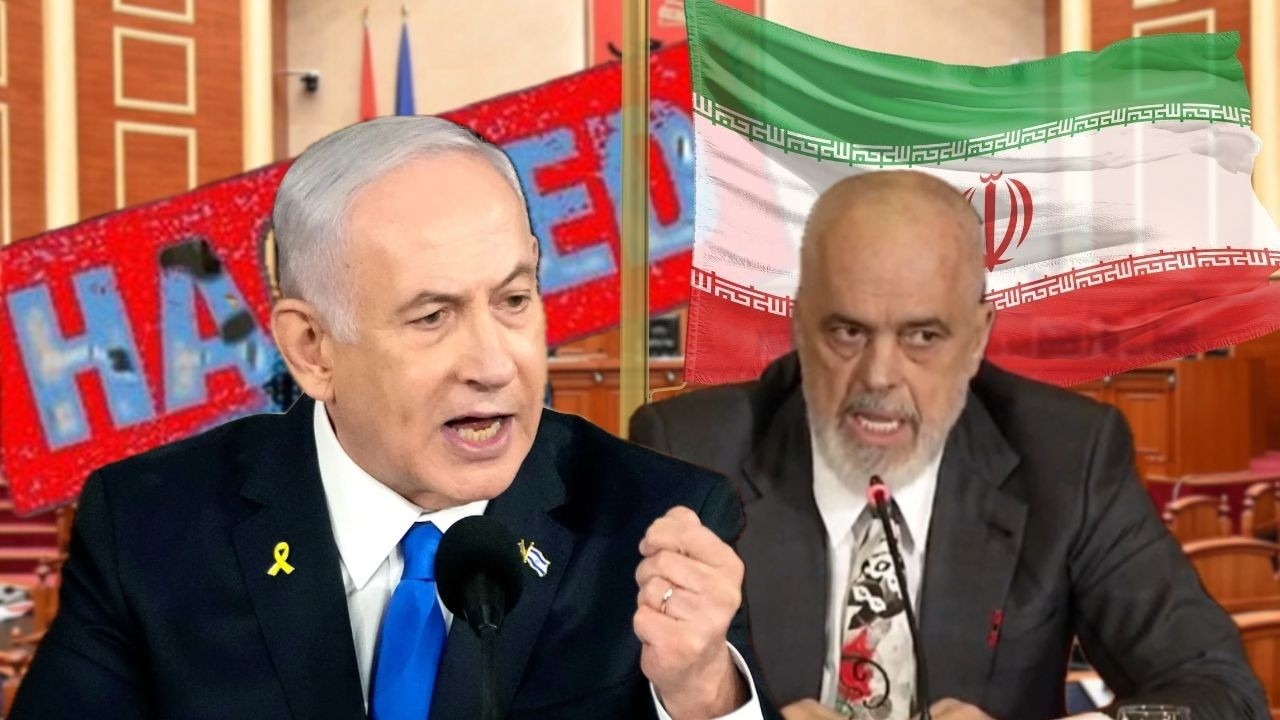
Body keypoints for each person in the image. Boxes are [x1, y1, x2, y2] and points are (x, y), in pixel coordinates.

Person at [12, 116, 779, 720]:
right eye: (432, 317)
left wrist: (702, 695)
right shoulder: (148, 527)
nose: (494, 364)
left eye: (514, 300)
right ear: (312, 349)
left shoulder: (657, 522)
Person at [630, 171, 1268, 720]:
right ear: (799, 322)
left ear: (977, 338)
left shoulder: (1068, 456)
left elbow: (1221, 692)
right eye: (847, 332)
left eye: (923, 337)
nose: (880, 377)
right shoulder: (690, 451)